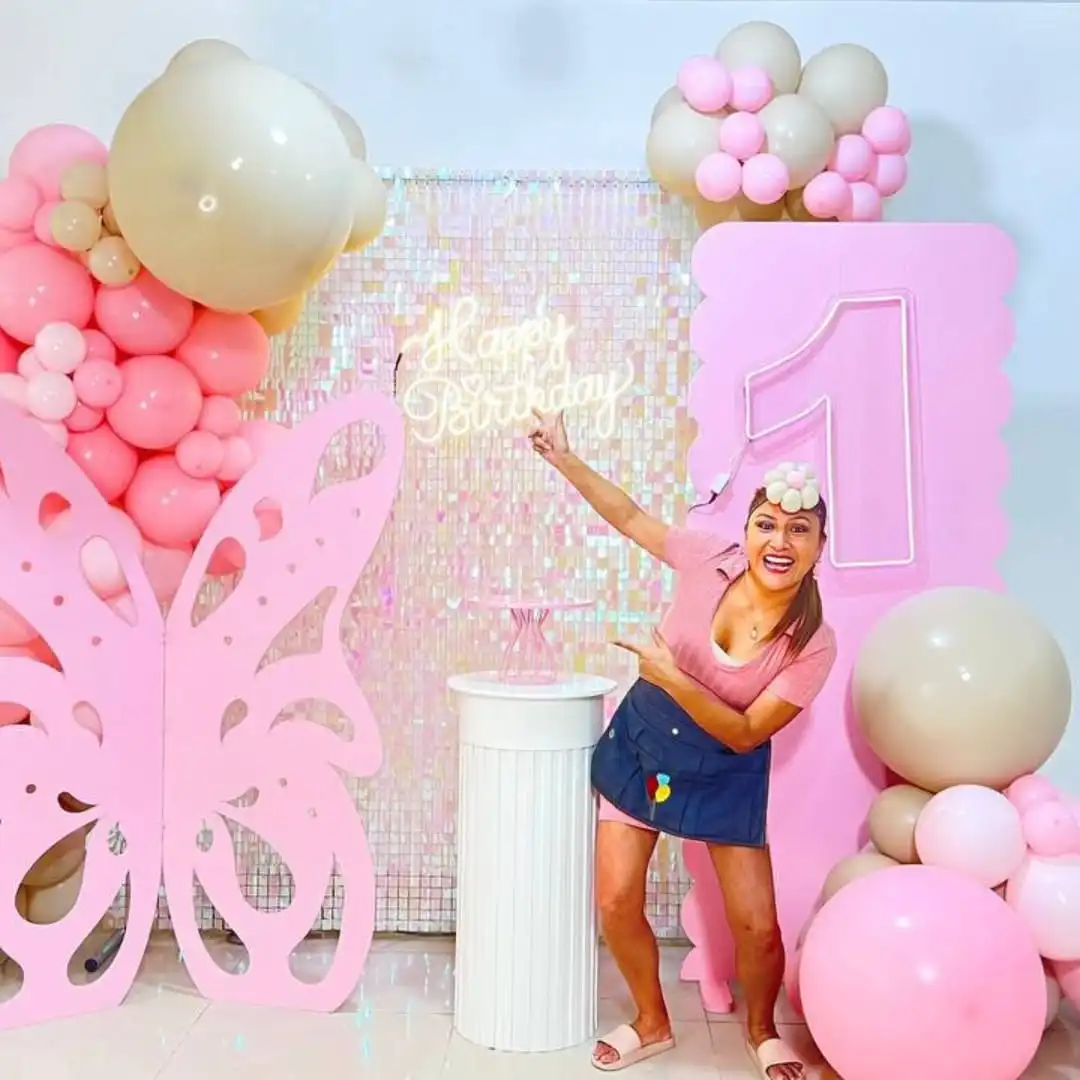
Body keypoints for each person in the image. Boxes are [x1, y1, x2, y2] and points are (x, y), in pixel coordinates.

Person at [528, 409, 836, 1079]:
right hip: (644, 744)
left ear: (819, 546)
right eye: (767, 524)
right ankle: (651, 1020)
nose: (779, 541)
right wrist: (564, 457)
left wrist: (672, 674)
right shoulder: (707, 558)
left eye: (798, 530)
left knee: (758, 927)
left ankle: (762, 1031)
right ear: (747, 532)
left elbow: (746, 731)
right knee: (615, 900)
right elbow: (630, 517)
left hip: (726, 767)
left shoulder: (812, 642)